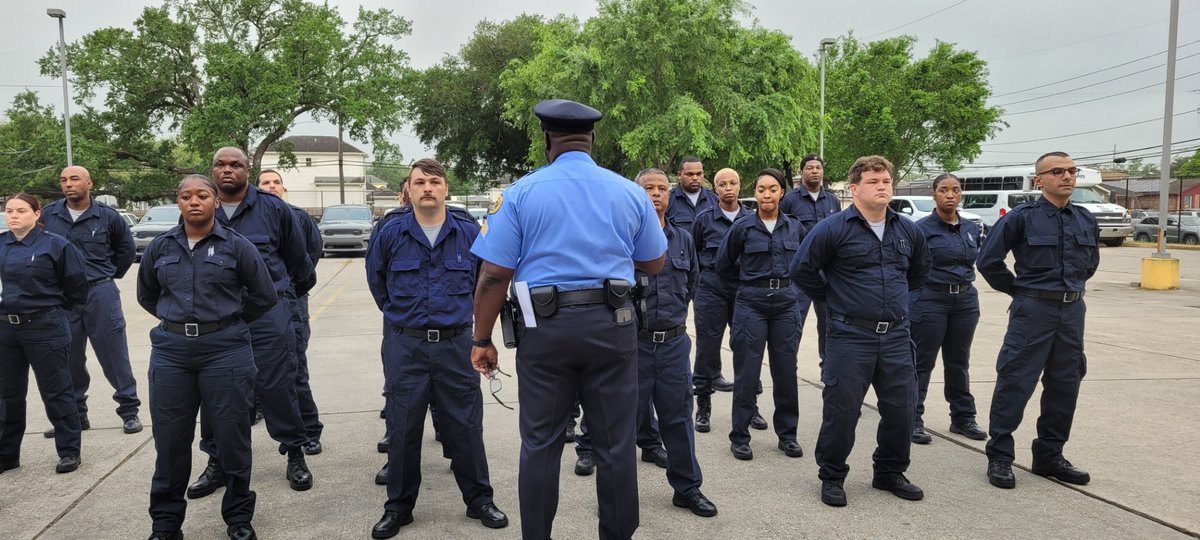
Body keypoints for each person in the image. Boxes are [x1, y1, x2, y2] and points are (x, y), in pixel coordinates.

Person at [470, 98, 667, 540]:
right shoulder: (630, 192)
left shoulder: (518, 194)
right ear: (592, 140)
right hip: (612, 326)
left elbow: (494, 275)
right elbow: (654, 262)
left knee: (540, 443)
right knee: (615, 445)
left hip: (545, 331)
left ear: (547, 141)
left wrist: (481, 339)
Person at [365, 158, 508, 538]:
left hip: (456, 345)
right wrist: (406, 320)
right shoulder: (390, 232)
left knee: (465, 425)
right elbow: (378, 284)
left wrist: (477, 334)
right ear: (409, 190)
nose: (427, 188)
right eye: (419, 182)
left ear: (445, 188)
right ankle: (398, 507)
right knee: (403, 427)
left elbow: (485, 283)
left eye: (434, 181)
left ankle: (479, 500)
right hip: (406, 345)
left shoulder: (468, 231)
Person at [139, 175, 276, 540]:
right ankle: (166, 524)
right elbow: (147, 295)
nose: (194, 201)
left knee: (232, 439)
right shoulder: (160, 247)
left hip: (225, 351)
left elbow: (264, 295)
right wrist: (179, 323)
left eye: (202, 195)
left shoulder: (237, 245)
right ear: (178, 202)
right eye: (186, 196)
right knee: (170, 442)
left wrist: (226, 322)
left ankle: (238, 517)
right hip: (172, 353)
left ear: (215, 201)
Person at [789, 155, 930, 507]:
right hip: (851, 336)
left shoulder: (908, 230)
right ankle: (832, 475)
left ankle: (889, 472)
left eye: (886, 181)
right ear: (854, 189)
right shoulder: (833, 228)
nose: (882, 187)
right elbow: (801, 270)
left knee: (902, 409)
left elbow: (919, 273)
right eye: (873, 182)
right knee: (843, 410)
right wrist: (836, 298)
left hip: (896, 336)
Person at [187, 147, 317, 499]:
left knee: (279, 386)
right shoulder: (201, 207)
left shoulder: (273, 209)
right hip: (218, 319)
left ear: (248, 169)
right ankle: (217, 462)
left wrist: (282, 301)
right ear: (212, 170)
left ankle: (294, 453)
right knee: (217, 392)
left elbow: (299, 263)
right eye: (220, 164)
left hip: (267, 315)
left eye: (236, 165)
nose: (227, 170)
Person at [977, 151, 1099, 489]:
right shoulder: (1021, 218)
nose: (1067, 176)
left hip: (1072, 311)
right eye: (1057, 171)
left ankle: (1049, 455)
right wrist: (1020, 291)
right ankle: (1000, 456)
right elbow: (988, 261)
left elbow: (1090, 265)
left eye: (1071, 170)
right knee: (1016, 380)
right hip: (1033, 311)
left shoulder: (1085, 219)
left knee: (1065, 383)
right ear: (1039, 180)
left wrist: (1068, 290)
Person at [631, 168, 716, 517]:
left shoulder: (682, 238)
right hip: (632, 345)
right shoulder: (622, 237)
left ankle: (687, 488)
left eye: (662, 188)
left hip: (673, 345)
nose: (656, 193)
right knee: (622, 422)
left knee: (679, 419)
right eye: (648, 188)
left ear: (670, 195)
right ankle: (618, 495)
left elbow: (692, 283)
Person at [39, 166, 142, 438]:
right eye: (63, 180)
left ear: (89, 184)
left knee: (114, 355)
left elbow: (126, 250)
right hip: (63, 298)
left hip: (100, 293)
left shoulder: (108, 216)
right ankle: (76, 415)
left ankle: (129, 412)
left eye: (74, 179)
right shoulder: (49, 215)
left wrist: (107, 275)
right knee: (69, 358)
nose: (68, 184)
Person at [715, 169, 807, 462]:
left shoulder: (795, 228)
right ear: (754, 194)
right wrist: (747, 286)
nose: (767, 195)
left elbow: (806, 264)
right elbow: (723, 264)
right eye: (761, 190)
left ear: (782, 193)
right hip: (751, 304)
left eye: (773, 189)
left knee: (786, 371)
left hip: (785, 306)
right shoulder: (742, 228)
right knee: (747, 372)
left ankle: (787, 435)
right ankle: (740, 437)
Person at [0, 194, 88, 474]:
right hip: (5, 328)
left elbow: (77, 287)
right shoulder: (0, 244)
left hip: (44, 325)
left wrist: (51, 311)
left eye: (21, 211)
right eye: (9, 211)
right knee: (7, 395)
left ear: (37, 214)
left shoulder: (56, 245)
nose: (13, 216)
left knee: (56, 390)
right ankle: (7, 454)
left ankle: (69, 451)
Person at [909, 173, 986, 444]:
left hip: (964, 301)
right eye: (944, 190)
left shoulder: (971, 228)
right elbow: (909, 267)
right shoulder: (920, 229)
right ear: (934, 193)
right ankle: (912, 419)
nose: (950, 195)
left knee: (958, 361)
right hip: (930, 300)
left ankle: (963, 418)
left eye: (955, 189)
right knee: (922, 363)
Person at [257, 169, 324, 455]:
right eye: (265, 183)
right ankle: (258, 409)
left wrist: (289, 288)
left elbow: (311, 255)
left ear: (284, 188)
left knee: (294, 367)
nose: (272, 186)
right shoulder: (249, 217)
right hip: (253, 306)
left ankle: (309, 430)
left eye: (276, 182)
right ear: (257, 188)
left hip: (291, 299)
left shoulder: (298, 217)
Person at [689, 168, 752, 432]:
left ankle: (751, 406)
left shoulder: (751, 219)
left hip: (744, 289)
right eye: (722, 184)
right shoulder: (704, 219)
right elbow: (693, 255)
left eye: (733, 183)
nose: (728, 188)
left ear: (740, 186)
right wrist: (698, 288)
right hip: (711, 288)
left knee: (748, 347)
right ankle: (703, 405)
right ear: (715, 189)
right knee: (707, 348)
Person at [779, 154, 842, 363]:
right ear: (801, 172)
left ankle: (828, 368)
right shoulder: (790, 200)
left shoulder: (832, 200)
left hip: (828, 273)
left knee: (829, 323)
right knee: (794, 322)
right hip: (801, 272)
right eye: (809, 167)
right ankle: (788, 367)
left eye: (818, 167)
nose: (814, 171)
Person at [664, 156, 717, 232]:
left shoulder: (715, 201)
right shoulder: (668, 201)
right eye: (689, 174)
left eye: (699, 174)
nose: (695, 178)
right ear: (679, 175)